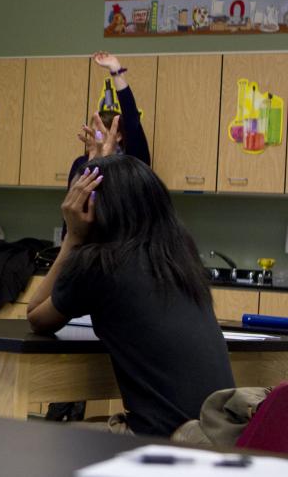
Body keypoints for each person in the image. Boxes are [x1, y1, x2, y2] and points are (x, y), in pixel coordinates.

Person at [27, 150, 234, 437]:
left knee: (51, 438)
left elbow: (36, 316)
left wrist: (72, 237)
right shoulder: (178, 256)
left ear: (92, 208)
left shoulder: (99, 263)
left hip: (167, 440)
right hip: (218, 434)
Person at [68, 51, 150, 187]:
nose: (96, 137)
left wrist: (116, 70)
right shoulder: (81, 163)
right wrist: (91, 165)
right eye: (92, 132)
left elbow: (132, 119)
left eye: (100, 132)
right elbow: (73, 198)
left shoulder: (132, 162)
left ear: (118, 136)